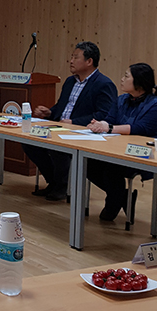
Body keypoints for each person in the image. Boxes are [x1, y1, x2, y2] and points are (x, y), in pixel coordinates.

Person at [23, 41, 117, 201]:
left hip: (83, 131)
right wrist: (50, 112)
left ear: (89, 61)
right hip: (60, 127)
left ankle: (61, 185)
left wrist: (74, 122)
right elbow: (63, 105)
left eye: (75, 57)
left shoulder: (104, 84)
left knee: (58, 148)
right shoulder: (70, 81)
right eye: (71, 57)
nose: (71, 61)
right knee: (29, 142)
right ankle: (54, 181)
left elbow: (104, 114)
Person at [86, 63, 157, 221]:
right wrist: (98, 125)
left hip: (146, 155)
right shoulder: (122, 100)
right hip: (118, 150)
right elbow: (110, 120)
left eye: (126, 76)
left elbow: (139, 128)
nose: (122, 79)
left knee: (111, 168)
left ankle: (114, 201)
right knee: (88, 163)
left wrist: (109, 128)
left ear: (139, 81)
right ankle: (121, 196)